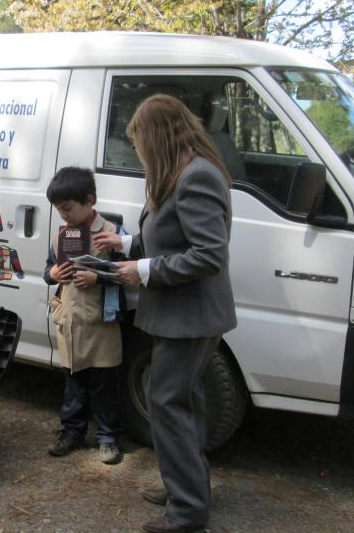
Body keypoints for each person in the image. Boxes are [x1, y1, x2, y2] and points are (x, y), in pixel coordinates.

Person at [95, 95, 236, 533]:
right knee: (184, 400)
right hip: (180, 315)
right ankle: (186, 488)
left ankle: (188, 512)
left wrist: (144, 270)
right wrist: (128, 245)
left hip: (190, 317)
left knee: (167, 401)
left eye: (139, 143)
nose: (138, 153)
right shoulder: (179, 174)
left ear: (156, 138)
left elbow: (209, 255)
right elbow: (171, 236)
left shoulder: (196, 178)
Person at [43, 166, 125, 465]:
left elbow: (127, 273)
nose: (63, 215)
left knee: (104, 384)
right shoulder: (59, 236)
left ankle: (108, 437)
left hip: (100, 323)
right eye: (59, 210)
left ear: (89, 200)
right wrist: (51, 274)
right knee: (73, 383)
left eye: (67, 208)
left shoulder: (113, 233)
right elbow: (48, 270)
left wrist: (98, 278)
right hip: (70, 322)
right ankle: (72, 432)